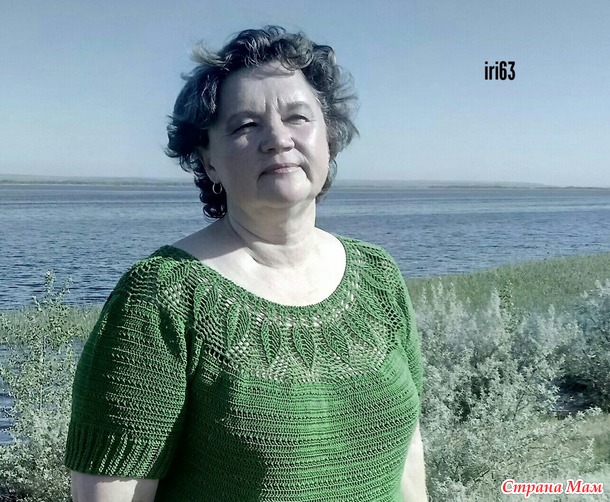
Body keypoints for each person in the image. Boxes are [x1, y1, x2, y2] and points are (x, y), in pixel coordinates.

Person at [65, 26, 427, 501]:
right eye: (245, 125)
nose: (278, 139)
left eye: (298, 117)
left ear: (329, 138)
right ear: (208, 160)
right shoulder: (160, 298)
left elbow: (409, 455)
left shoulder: (378, 275)